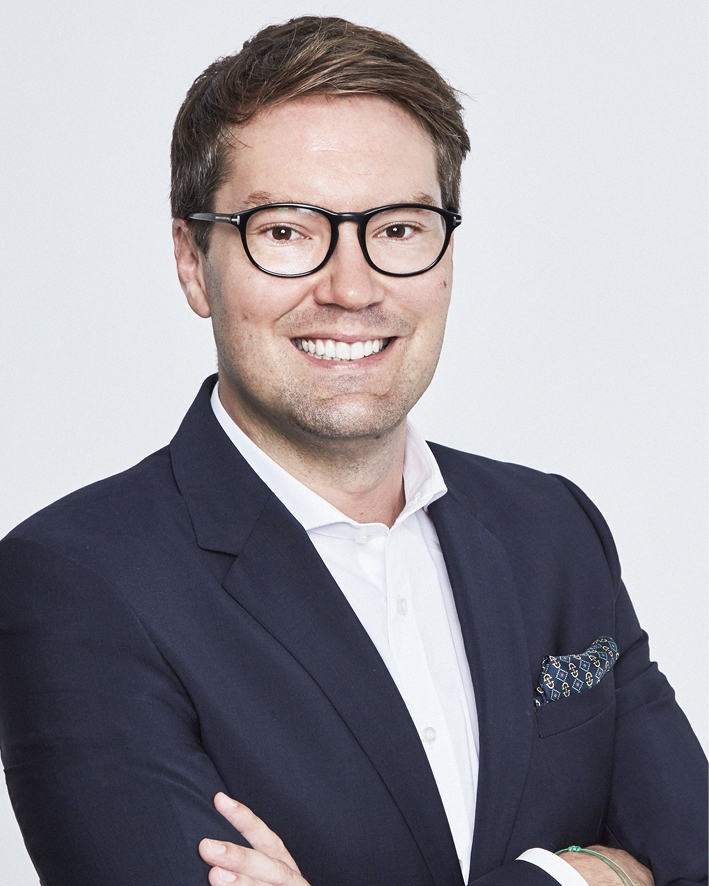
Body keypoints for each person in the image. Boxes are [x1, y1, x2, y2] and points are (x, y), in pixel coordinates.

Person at [0, 15, 705, 886]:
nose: (352, 286)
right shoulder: (78, 580)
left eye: (399, 228)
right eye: (286, 231)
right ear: (192, 261)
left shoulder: (552, 531)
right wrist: (587, 874)